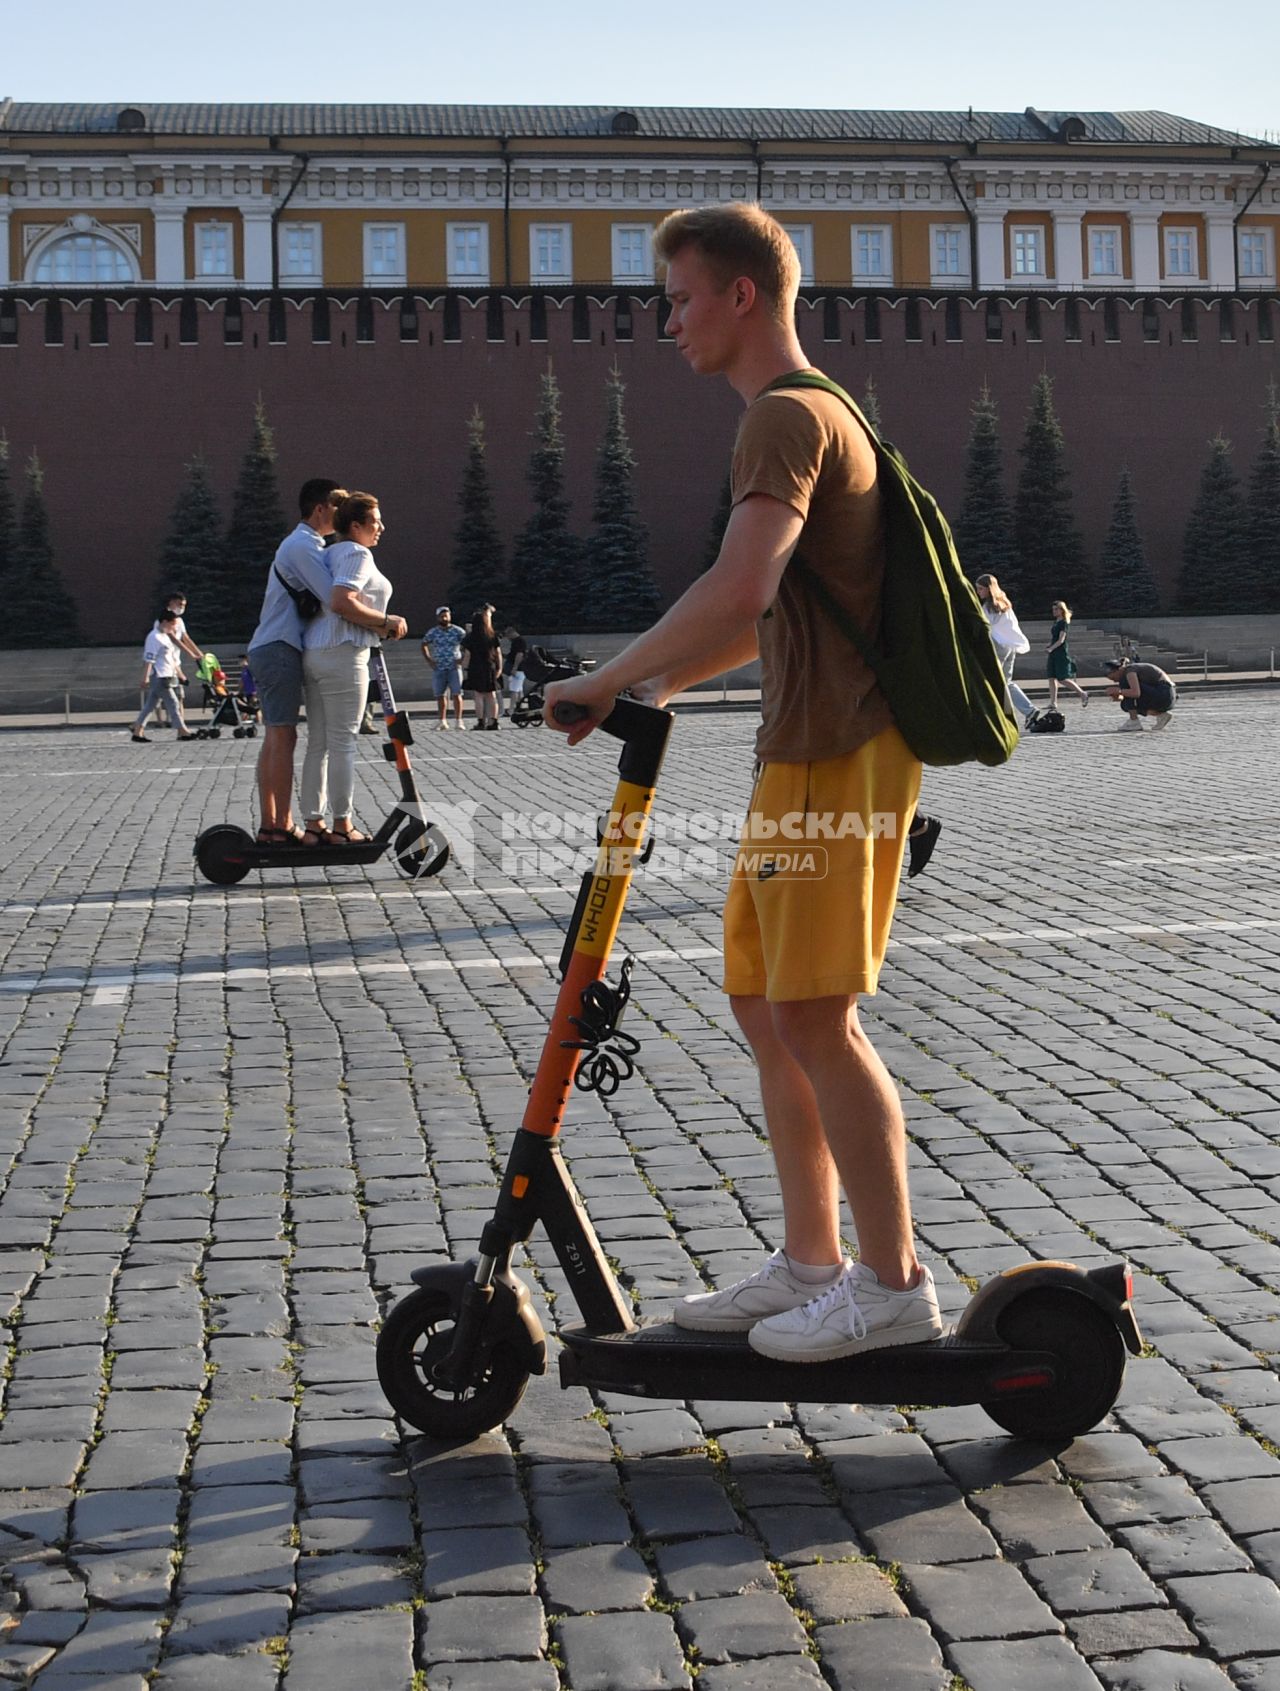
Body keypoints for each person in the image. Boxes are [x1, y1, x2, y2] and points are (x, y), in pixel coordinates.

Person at [544, 201, 942, 1362]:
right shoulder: (801, 415)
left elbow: (735, 589)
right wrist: (646, 690)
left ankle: (890, 1282)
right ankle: (812, 1261)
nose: (666, 322)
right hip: (800, 747)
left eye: (677, 298)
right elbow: (754, 619)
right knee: (767, 1006)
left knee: (817, 1013)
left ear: (741, 296)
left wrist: (604, 674)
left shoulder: (780, 418)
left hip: (839, 751)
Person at [300, 491, 407, 843]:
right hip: (344, 652)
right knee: (344, 742)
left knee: (318, 743)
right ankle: (342, 825)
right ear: (356, 525)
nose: (382, 528)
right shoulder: (356, 553)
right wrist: (387, 621)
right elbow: (342, 602)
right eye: (375, 522)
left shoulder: (328, 552)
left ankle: (313, 823)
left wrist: (378, 625)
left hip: (315, 651)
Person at [246, 479, 349, 844]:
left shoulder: (305, 544)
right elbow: (332, 596)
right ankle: (280, 825)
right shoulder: (304, 545)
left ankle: (272, 823)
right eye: (340, 507)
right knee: (282, 735)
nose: (344, 514)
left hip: (274, 646)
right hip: (279, 647)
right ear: (320, 508)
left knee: (277, 737)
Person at [974, 573, 1034, 723]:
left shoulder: (988, 606)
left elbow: (985, 626)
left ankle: (996, 714)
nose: (978, 592)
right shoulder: (1004, 603)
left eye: (981, 589)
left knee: (991, 680)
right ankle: (1027, 710)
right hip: (1010, 646)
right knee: (1006, 682)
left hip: (997, 646)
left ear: (989, 589)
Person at [132, 611, 195, 743]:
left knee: (150, 705)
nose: (174, 628)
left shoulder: (164, 636)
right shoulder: (154, 637)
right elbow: (150, 658)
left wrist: (180, 674)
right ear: (165, 622)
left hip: (167, 674)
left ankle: (137, 731)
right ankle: (183, 731)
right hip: (160, 676)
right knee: (173, 702)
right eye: (173, 624)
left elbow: (170, 659)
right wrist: (145, 677)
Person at [421, 606, 466, 729]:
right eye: (442, 616)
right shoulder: (433, 632)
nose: (444, 618)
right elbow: (424, 644)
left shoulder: (458, 631)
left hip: (454, 667)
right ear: (438, 617)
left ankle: (458, 720)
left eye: (446, 615)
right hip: (439, 667)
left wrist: (462, 659)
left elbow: (468, 644)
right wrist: (429, 660)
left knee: (457, 694)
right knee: (440, 695)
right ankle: (442, 720)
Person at [1104, 655, 1176, 731]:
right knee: (1124, 705)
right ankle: (1161, 715)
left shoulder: (1129, 671)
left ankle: (1134, 722)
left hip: (1164, 693)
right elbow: (1125, 698)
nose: (1115, 681)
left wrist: (1119, 691)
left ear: (1117, 670)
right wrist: (1115, 695)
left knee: (1125, 684)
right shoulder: (1129, 671)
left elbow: (1135, 693)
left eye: (1113, 678)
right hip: (1167, 696)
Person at [463, 604, 503, 731]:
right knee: (491, 695)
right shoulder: (491, 635)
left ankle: (480, 722)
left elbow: (467, 655)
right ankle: (494, 721)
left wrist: (464, 668)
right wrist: (499, 668)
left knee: (478, 695)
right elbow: (498, 653)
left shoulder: (470, 637)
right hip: (489, 666)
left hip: (475, 668)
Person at [1046, 600, 1089, 711]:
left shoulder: (1063, 623)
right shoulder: (1056, 622)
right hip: (1053, 652)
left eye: (1056, 609)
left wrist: (1051, 648)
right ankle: (1053, 702)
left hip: (1060, 653)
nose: (1054, 611)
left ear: (1061, 610)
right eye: (1053, 609)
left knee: (1062, 678)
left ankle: (1082, 693)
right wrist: (1050, 646)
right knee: (1051, 677)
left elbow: (1061, 640)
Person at [502, 627, 527, 718]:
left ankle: (511, 709)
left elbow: (519, 654)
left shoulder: (518, 641)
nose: (508, 638)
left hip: (518, 669)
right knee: (519, 690)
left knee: (514, 690)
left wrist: (515, 667)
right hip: (520, 669)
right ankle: (520, 707)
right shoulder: (519, 641)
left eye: (507, 636)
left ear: (511, 633)